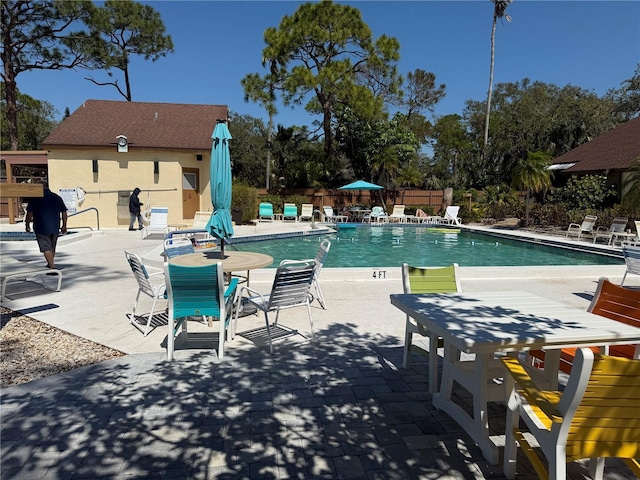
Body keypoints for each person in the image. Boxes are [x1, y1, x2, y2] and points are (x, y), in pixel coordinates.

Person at [25, 181, 68, 270]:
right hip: (55, 226)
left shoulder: (35, 198)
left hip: (41, 226)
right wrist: (64, 225)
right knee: (52, 246)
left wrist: (27, 224)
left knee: (46, 247)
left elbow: (30, 213)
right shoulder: (56, 197)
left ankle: (52, 267)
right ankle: (50, 263)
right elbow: (64, 212)